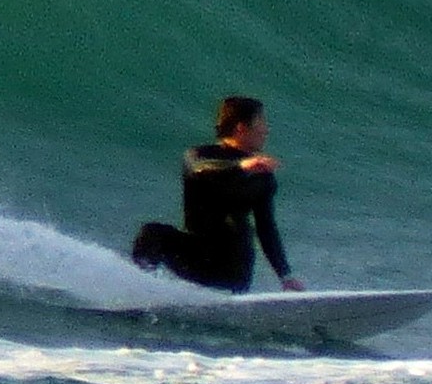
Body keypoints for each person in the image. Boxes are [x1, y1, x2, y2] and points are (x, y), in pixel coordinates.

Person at [129, 95, 306, 293]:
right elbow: (204, 169)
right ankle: (138, 293)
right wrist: (241, 167)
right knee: (151, 233)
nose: (266, 130)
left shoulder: (262, 175)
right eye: (261, 122)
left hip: (232, 266)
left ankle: (233, 297)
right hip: (196, 255)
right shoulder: (198, 156)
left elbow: (266, 228)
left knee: (239, 232)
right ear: (241, 127)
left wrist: (285, 276)